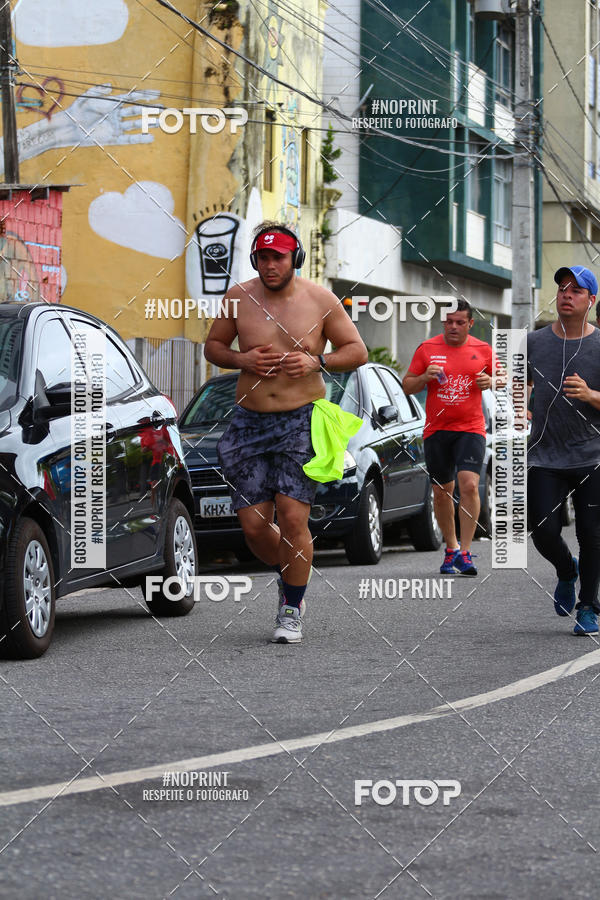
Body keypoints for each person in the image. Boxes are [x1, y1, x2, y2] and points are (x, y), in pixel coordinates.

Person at [204, 221, 367, 643]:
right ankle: (291, 573)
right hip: (248, 422)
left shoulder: (321, 299)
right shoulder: (238, 298)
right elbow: (214, 347)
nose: (270, 265)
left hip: (300, 419)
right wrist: (243, 361)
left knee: (294, 518)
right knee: (255, 527)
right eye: (262, 257)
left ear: (295, 258)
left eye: (278, 257)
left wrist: (318, 363)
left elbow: (357, 351)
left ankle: (292, 606)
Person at [527, 265, 600, 635]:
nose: (566, 295)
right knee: (541, 528)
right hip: (544, 456)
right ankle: (565, 569)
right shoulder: (534, 342)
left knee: (592, 533)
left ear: (591, 300)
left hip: (592, 457)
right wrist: (513, 395)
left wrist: (590, 395)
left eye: (576, 290)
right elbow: (515, 386)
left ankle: (588, 607)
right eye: (562, 289)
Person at [402, 299, 495, 576]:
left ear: (470, 324)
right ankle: (451, 548)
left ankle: (465, 552)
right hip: (437, 430)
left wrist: (491, 382)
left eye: (459, 322)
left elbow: (501, 377)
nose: (453, 327)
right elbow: (407, 385)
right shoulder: (427, 349)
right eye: (448, 322)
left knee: (469, 485)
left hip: (471, 428)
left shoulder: (483, 349)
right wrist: (423, 378)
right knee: (442, 493)